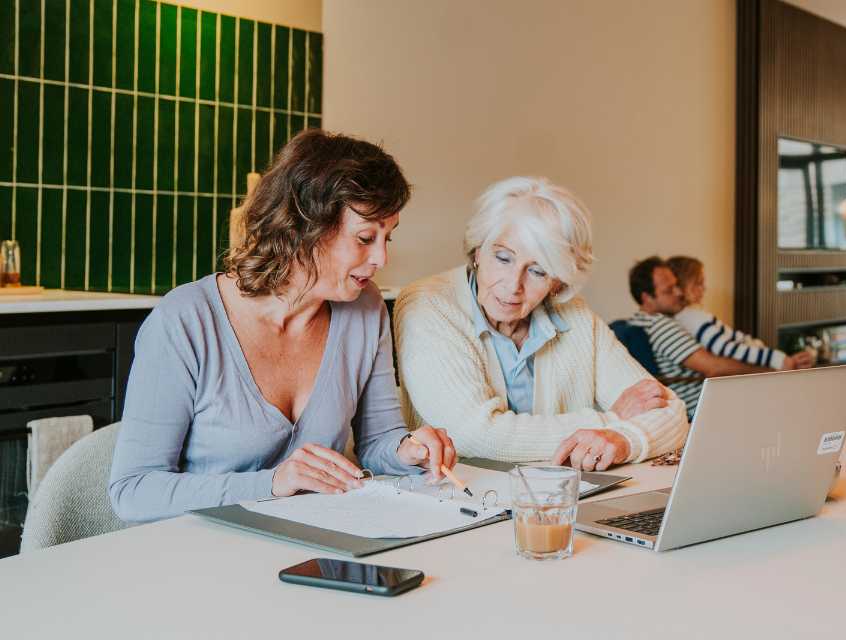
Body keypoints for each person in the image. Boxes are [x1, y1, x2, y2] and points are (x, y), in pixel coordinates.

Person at [109, 130, 456, 523]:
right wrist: (273, 483)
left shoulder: (365, 308)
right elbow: (133, 492)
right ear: (305, 227)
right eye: (365, 238)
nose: (381, 258)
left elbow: (376, 442)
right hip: (199, 548)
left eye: (387, 238)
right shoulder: (185, 321)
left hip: (313, 543)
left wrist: (408, 450)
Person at [393, 177, 689, 471]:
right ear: (478, 251)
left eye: (537, 271)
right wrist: (611, 420)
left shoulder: (575, 315)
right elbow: (473, 434)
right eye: (503, 258)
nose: (513, 286)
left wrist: (625, 440)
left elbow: (670, 410)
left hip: (563, 493)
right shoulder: (429, 303)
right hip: (462, 494)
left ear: (558, 281)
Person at [627, 256, 773, 418]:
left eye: (676, 285)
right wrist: (769, 371)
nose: (679, 293)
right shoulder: (660, 325)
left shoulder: (637, 321)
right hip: (703, 409)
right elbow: (715, 368)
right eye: (669, 290)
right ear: (646, 298)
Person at [668, 255, 813, 370]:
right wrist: (778, 359)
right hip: (761, 362)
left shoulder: (690, 317)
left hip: (759, 355)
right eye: (698, 283)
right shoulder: (692, 319)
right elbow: (727, 348)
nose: (704, 288)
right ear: (680, 287)